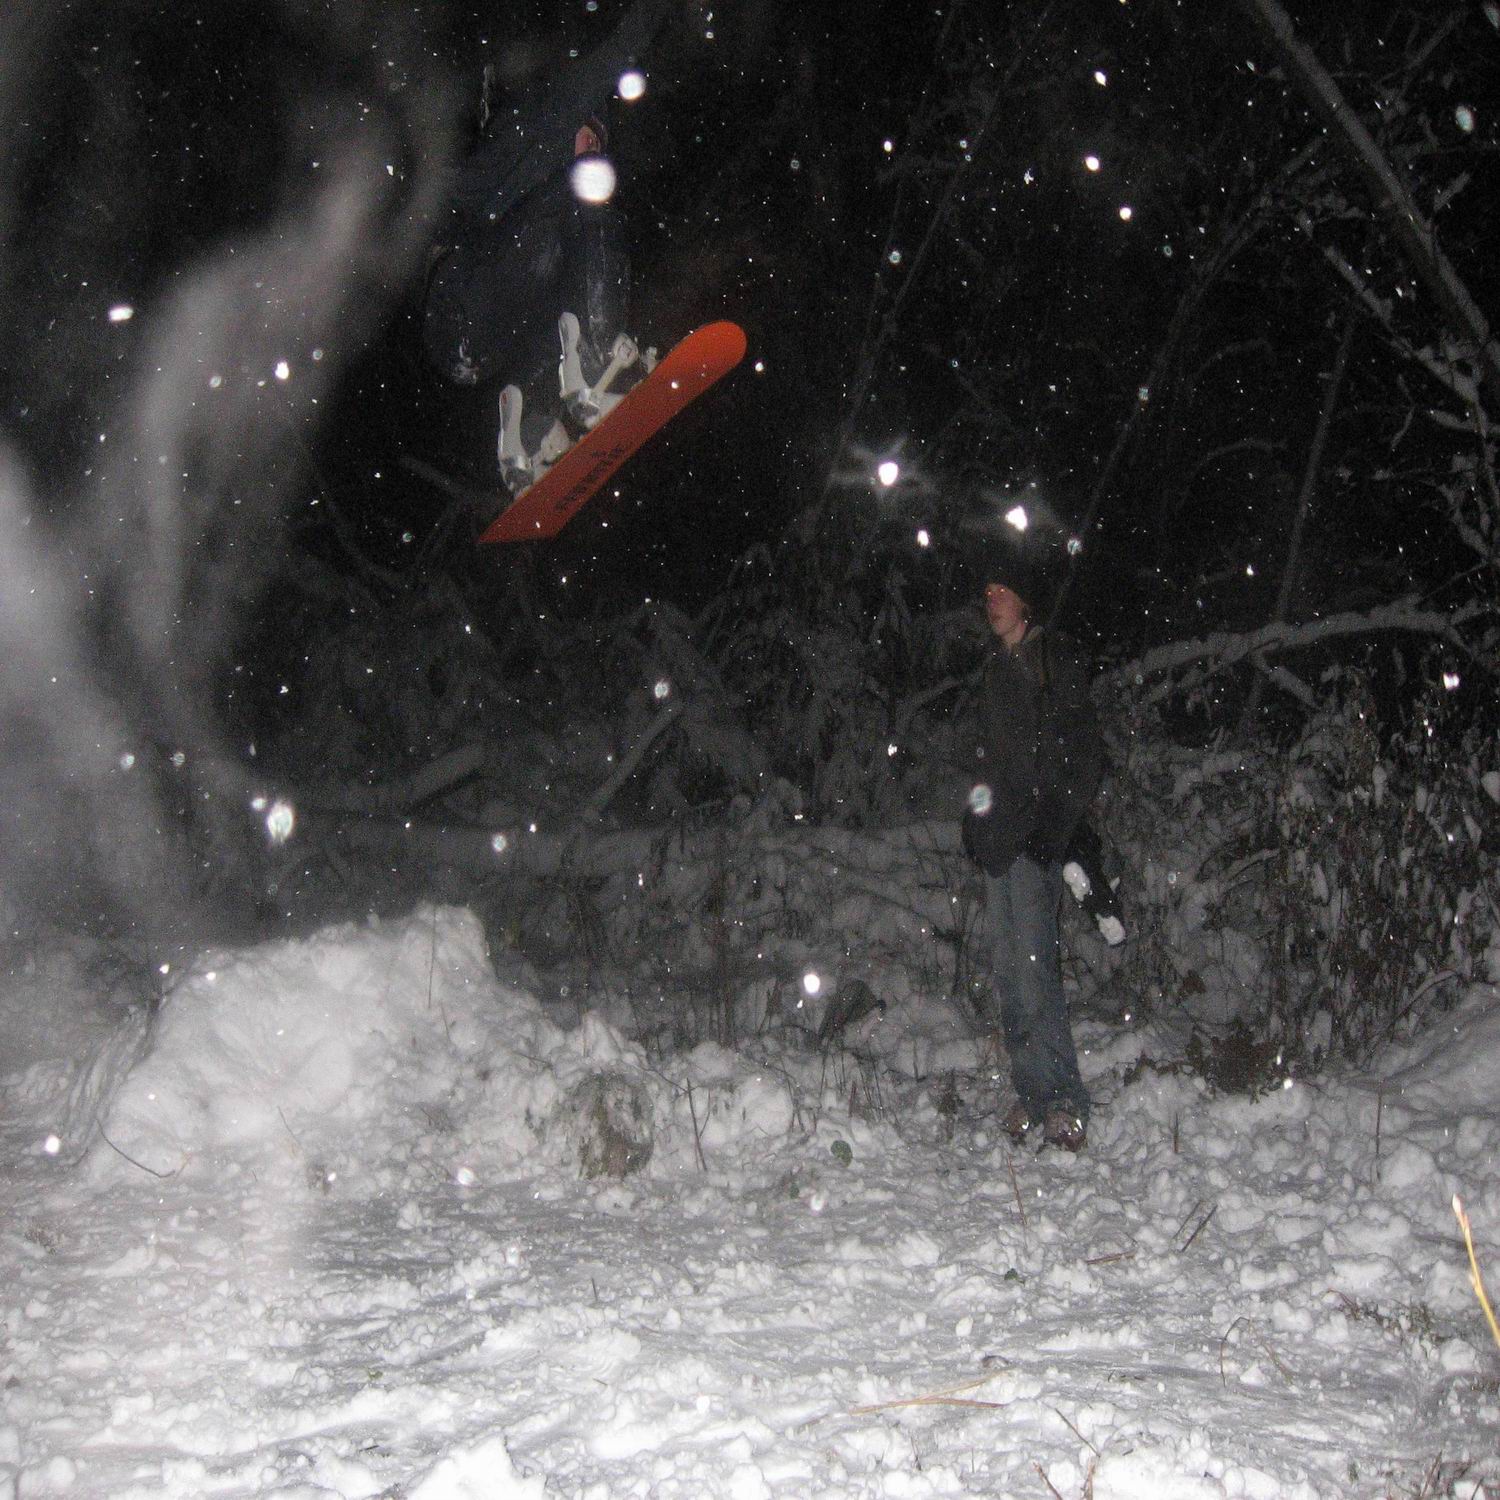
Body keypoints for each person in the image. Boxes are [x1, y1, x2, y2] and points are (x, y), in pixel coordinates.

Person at [422, 0, 673, 494]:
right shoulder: (542, 121)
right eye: (589, 138)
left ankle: (527, 432)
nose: (593, 150)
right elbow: (617, 53)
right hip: (462, 294)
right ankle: (600, 354)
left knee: (559, 307)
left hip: (471, 339)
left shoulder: (524, 196)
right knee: (590, 191)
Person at [961, 545, 1106, 1152]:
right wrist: (974, 820)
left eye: (1002, 592)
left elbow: (1086, 756)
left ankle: (1065, 1100)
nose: (991, 602)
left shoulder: (1054, 661)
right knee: (1008, 976)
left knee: (1036, 974)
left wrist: (1051, 831)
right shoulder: (994, 671)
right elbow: (985, 759)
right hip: (998, 844)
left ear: (1025, 600)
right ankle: (1032, 1091)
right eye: (987, 593)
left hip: (1034, 844)